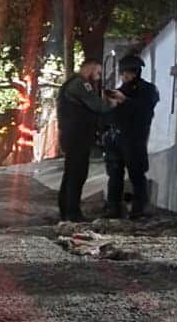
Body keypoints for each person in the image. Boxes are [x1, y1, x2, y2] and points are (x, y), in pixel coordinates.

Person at [56, 59, 122, 222]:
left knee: (71, 173)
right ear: (90, 68)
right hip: (77, 135)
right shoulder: (81, 84)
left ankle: (67, 210)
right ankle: (72, 212)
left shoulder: (72, 83)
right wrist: (113, 104)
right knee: (77, 173)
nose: (98, 78)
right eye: (98, 73)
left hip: (72, 135)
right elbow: (97, 106)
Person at [103, 53, 160, 219]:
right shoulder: (120, 91)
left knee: (136, 174)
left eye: (128, 73)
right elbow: (110, 116)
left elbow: (144, 112)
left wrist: (125, 102)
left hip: (135, 139)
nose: (125, 76)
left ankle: (139, 208)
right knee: (115, 174)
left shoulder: (147, 90)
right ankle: (113, 207)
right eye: (123, 73)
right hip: (116, 138)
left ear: (136, 72)